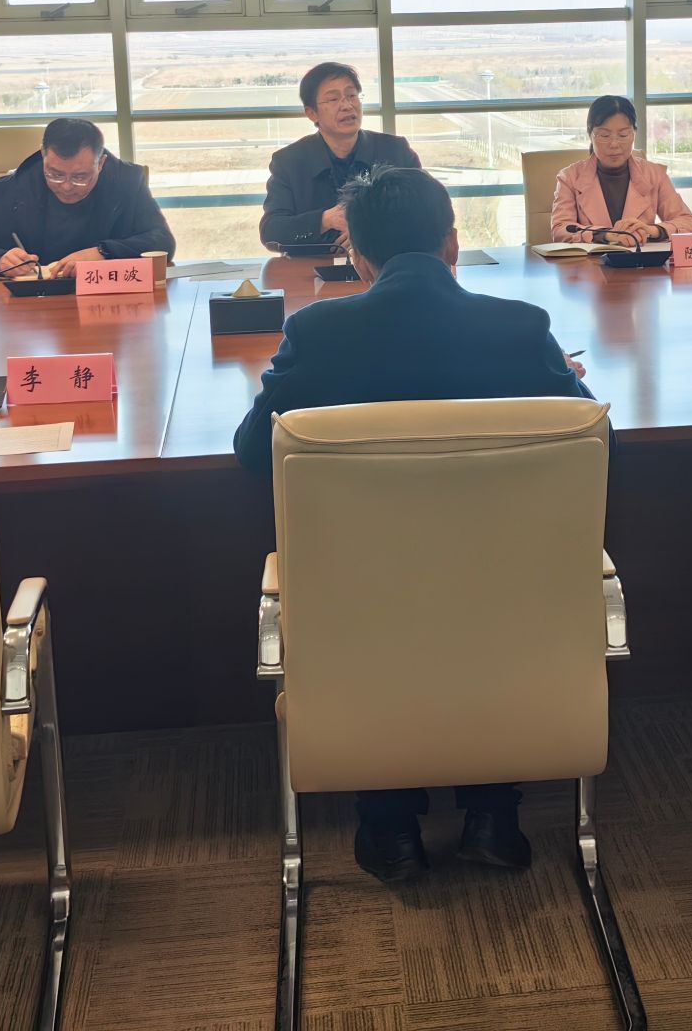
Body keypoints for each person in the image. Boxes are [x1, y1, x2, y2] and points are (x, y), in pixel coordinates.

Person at [234, 165, 590, 883]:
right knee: (485, 610)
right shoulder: (520, 327)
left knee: (378, 615)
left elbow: (252, 452)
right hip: (504, 590)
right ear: (452, 243)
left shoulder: (316, 332)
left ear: (359, 259)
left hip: (362, 597)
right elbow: (599, 446)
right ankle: (493, 815)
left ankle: (390, 828)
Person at [0, 118, 174, 279]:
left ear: (100, 163)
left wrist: (103, 252)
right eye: (55, 174)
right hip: (34, 309)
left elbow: (162, 242)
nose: (66, 186)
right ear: (43, 154)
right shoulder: (13, 189)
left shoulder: (126, 182)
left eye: (80, 177)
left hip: (108, 302)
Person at [259, 62, 420, 252]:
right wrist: (325, 220)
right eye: (333, 99)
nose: (347, 105)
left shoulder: (396, 151)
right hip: (313, 266)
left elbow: (427, 213)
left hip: (385, 264)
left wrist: (369, 232)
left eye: (352, 96)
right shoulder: (289, 161)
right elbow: (271, 231)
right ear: (312, 113)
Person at [550, 94, 692, 242]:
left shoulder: (654, 174)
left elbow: (688, 222)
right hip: (591, 257)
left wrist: (652, 231)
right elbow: (560, 229)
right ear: (590, 135)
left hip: (641, 256)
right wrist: (605, 235)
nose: (614, 144)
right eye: (605, 135)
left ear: (634, 134)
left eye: (623, 135)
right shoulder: (569, 177)